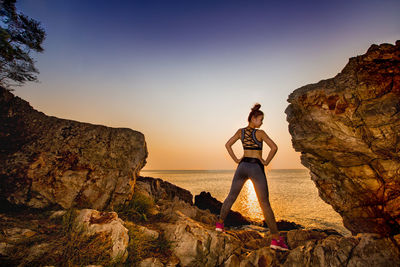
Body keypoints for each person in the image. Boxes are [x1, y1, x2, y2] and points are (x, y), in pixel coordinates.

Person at [215, 103, 289, 251]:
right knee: (264, 203)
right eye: (260, 119)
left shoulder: (240, 132)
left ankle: (219, 225)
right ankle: (276, 239)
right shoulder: (260, 133)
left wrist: (236, 159)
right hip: (255, 167)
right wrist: (266, 161)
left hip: (242, 166)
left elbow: (227, 145)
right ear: (254, 118)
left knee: (231, 196)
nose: (261, 123)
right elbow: (274, 147)